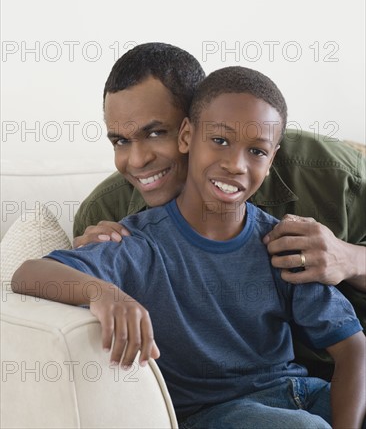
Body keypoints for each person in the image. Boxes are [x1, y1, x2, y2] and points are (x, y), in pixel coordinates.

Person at [12, 66, 366, 428]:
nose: (235, 164)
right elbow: (27, 274)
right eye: (220, 141)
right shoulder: (138, 245)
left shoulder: (281, 241)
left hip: (301, 391)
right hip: (218, 412)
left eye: (256, 151)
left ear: (272, 157)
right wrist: (103, 292)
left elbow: (353, 348)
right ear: (187, 137)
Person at [73, 43, 366, 379]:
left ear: (194, 123)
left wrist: (350, 259)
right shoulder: (106, 211)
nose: (137, 161)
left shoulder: (331, 175)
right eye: (121, 141)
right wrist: (93, 281)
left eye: (156, 133)